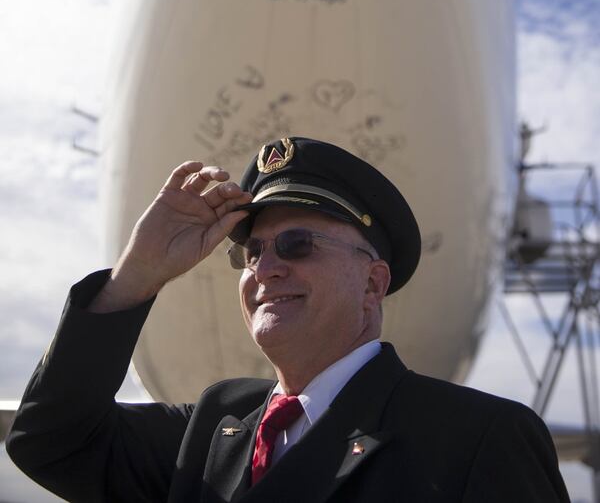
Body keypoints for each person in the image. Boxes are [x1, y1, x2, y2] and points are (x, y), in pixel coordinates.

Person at [7, 136, 569, 502]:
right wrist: (136, 275)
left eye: (297, 245)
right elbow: (50, 440)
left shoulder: (479, 439)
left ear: (373, 282)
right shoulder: (213, 425)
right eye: (250, 254)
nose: (265, 269)